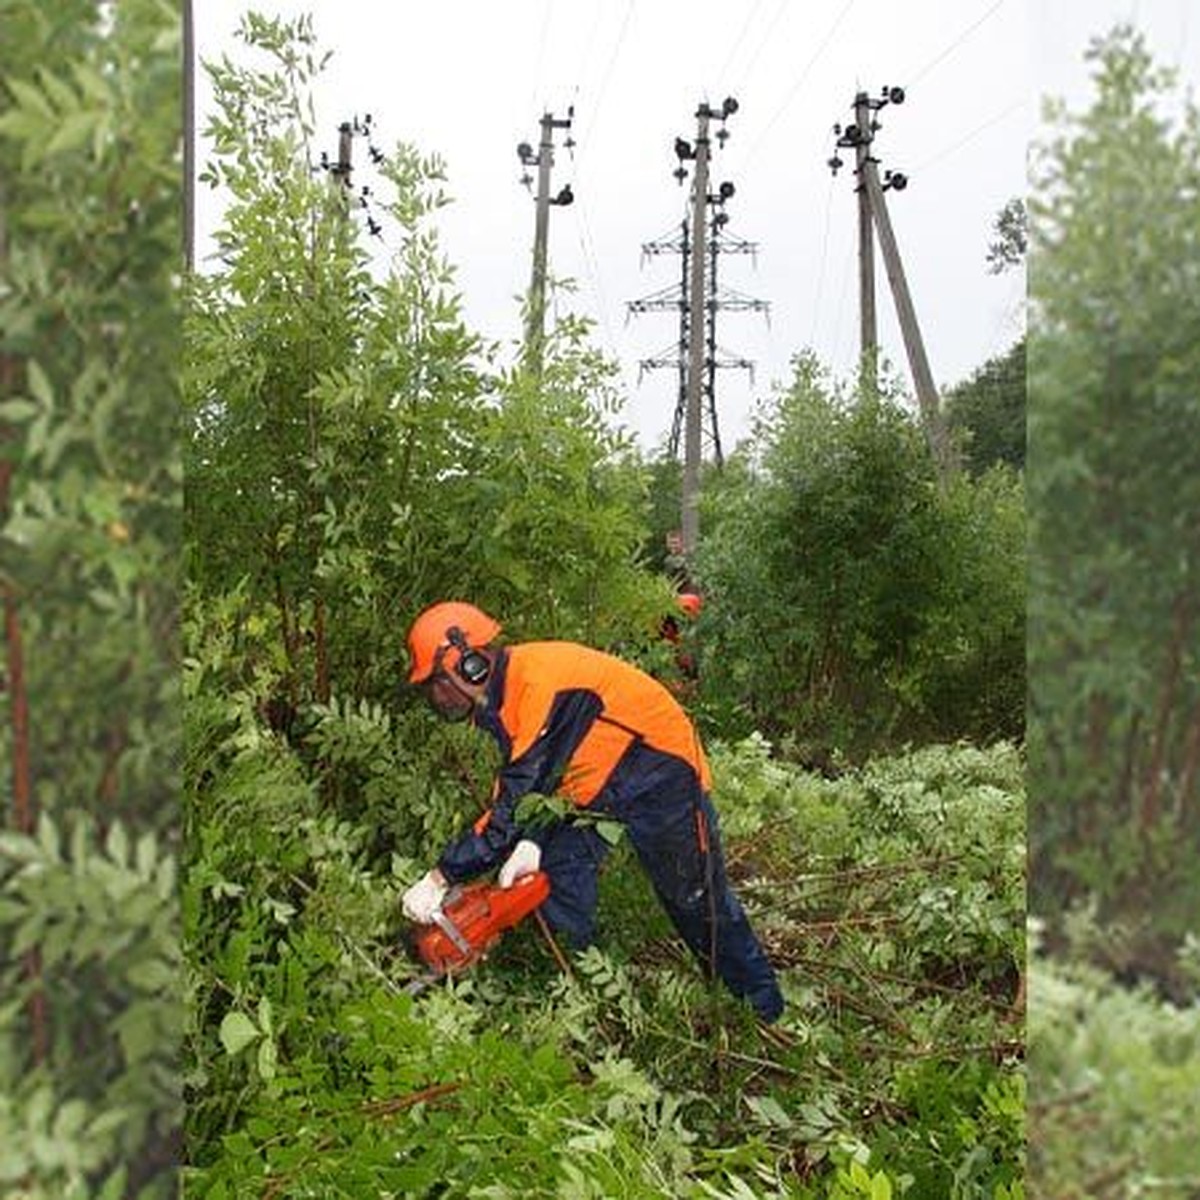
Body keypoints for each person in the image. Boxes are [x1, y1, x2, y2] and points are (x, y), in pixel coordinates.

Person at [400, 600, 784, 1023]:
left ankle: (760, 1007)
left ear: (468, 664)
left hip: (662, 774)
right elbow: (529, 784)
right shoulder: (505, 697)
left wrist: (442, 876)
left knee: (695, 898)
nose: (436, 697)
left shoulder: (539, 683)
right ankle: (577, 999)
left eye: (436, 683)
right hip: (592, 783)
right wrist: (532, 839)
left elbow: (513, 801)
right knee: (557, 876)